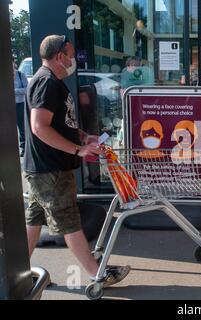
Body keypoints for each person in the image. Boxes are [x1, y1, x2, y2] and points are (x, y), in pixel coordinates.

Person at [23, 35, 130, 286]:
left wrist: (82, 136)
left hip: (44, 168)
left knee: (34, 221)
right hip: (51, 169)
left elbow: (60, 123)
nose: (74, 60)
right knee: (69, 221)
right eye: (70, 55)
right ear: (59, 56)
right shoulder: (46, 83)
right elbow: (39, 127)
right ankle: (97, 274)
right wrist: (76, 149)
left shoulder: (53, 82)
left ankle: (14, 272)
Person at [13, 61, 29, 157]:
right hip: (7, 105)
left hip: (20, 104)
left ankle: (24, 148)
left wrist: (14, 91)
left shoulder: (20, 74)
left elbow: (27, 89)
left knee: (22, 127)